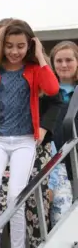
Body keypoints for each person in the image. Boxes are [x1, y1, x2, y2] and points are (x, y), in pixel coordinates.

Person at [0, 18, 62, 248]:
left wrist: (41, 57)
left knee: (16, 197)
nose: (14, 51)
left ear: (30, 46)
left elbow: (53, 90)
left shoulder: (34, 70)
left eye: (21, 46)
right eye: (9, 45)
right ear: (1, 45)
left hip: (24, 140)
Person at [47, 41, 77, 227]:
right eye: (59, 60)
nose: (64, 65)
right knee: (61, 220)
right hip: (57, 166)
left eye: (69, 60)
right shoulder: (47, 94)